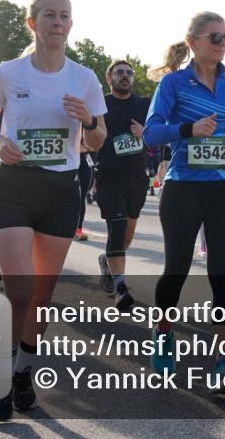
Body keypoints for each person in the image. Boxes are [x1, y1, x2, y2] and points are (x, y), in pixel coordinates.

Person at [0, 0, 108, 421]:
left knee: (42, 295)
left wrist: (87, 120)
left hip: (60, 191)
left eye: (65, 16)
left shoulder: (84, 78)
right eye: (49, 15)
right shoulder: (8, 72)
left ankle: (22, 373)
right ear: (33, 23)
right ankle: (2, 374)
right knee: (18, 292)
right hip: (13, 187)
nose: (58, 22)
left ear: (71, 25)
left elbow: (97, 139)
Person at [143, 12, 225, 392]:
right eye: (214, 36)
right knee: (176, 269)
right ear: (192, 42)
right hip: (183, 188)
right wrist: (186, 130)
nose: (222, 42)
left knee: (223, 274)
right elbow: (150, 133)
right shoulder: (174, 83)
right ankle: (163, 334)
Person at [95, 59, 151, 310]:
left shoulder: (143, 104)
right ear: (110, 78)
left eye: (129, 73)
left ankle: (107, 262)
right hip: (109, 176)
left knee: (126, 234)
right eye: (119, 72)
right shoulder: (100, 104)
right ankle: (120, 287)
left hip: (137, 177)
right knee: (116, 233)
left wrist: (145, 131)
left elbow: (158, 130)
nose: (125, 76)